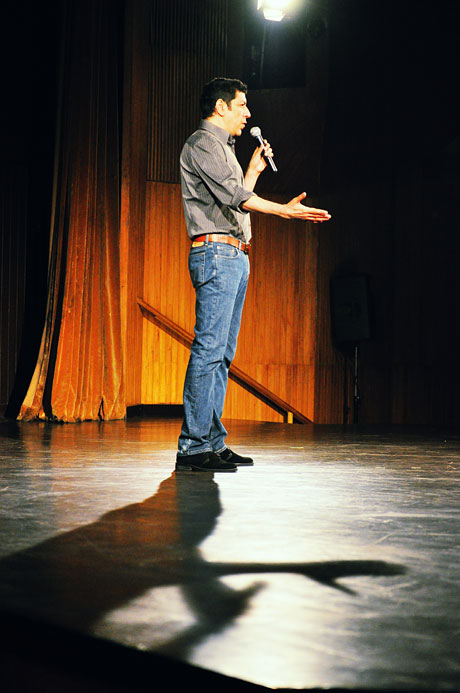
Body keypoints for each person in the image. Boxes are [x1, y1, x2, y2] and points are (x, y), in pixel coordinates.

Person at [176, 77, 331, 473]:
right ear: (220, 107)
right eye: (242, 105)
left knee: (223, 355)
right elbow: (235, 198)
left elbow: (236, 198)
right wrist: (285, 210)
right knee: (209, 350)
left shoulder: (224, 149)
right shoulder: (203, 144)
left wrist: (253, 171)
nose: (248, 113)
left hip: (234, 254)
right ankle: (193, 447)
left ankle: (212, 441)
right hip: (216, 253)